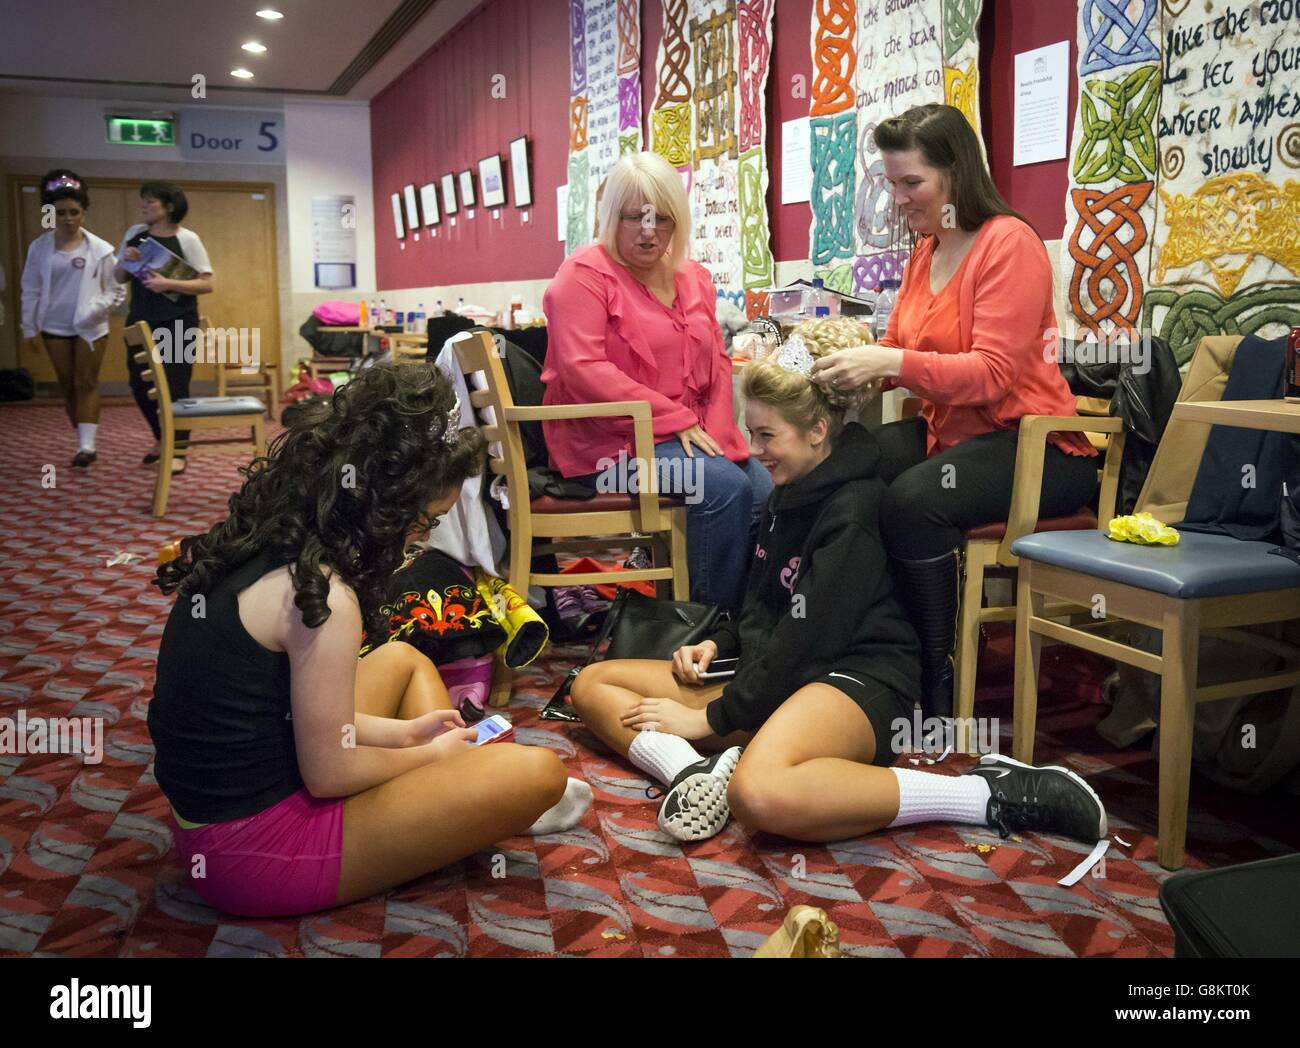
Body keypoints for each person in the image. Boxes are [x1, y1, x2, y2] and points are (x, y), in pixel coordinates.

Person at [570, 319, 1107, 847]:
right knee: (590, 685)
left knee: (760, 796)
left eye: (766, 435)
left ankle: (984, 792)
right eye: (750, 432)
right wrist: (720, 643)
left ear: (817, 430)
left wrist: (709, 716)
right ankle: (691, 775)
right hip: (778, 671)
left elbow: (811, 637)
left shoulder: (853, 507)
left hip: (857, 673)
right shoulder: (787, 488)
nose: (753, 450)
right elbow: (762, 603)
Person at [148, 364, 579, 918]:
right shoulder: (324, 598)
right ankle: (462, 797)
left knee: (402, 658)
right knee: (540, 772)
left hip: (217, 820)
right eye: (425, 522)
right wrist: (426, 755)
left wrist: (406, 735)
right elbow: (329, 773)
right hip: (251, 855)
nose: (421, 541)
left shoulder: (267, 544)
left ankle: (457, 796)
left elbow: (279, 711)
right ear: (382, 509)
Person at [809, 104, 1100, 720]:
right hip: (957, 441)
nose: (899, 197)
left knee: (914, 500)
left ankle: (934, 675)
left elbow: (993, 375)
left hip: (1037, 447)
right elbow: (898, 346)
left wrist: (883, 364)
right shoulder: (927, 248)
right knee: (840, 464)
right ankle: (857, 649)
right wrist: (842, 369)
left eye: (911, 182)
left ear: (956, 173)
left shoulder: (1009, 243)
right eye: (892, 183)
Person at [541, 152, 773, 612]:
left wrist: (724, 436)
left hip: (680, 437)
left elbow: (718, 364)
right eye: (634, 217)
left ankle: (751, 619)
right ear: (612, 216)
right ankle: (704, 624)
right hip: (606, 452)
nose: (649, 230)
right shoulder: (583, 274)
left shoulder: (694, 278)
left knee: (767, 488)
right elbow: (583, 369)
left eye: (662, 218)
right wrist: (674, 417)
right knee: (725, 488)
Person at [19, 170, 124, 466]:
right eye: (60, 213)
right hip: (54, 326)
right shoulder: (39, 248)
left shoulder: (101, 250)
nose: (68, 218)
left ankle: (87, 447)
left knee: (86, 382)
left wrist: (95, 310)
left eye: (74, 212)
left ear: (84, 213)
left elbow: (117, 290)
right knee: (67, 385)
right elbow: (30, 288)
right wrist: (29, 327)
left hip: (91, 327)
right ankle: (82, 433)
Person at [114, 182, 214, 474]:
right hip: (141, 320)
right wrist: (127, 258)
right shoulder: (135, 234)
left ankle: (178, 450)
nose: (144, 206)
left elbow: (207, 284)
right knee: (140, 384)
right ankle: (162, 438)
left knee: (175, 386)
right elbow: (119, 276)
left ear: (169, 206)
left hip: (178, 320)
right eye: (142, 201)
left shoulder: (188, 239)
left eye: (150, 202)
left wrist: (167, 284)